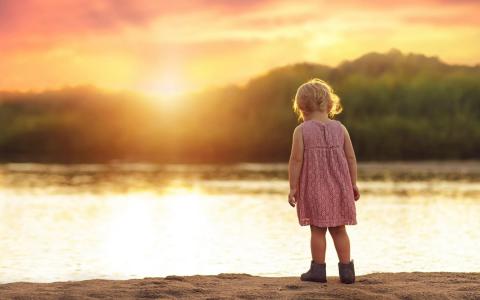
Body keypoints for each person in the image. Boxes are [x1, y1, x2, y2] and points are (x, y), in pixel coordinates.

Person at [288, 78, 360, 284]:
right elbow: (351, 158)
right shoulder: (341, 128)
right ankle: (347, 271)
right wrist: (353, 183)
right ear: (330, 105)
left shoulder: (301, 131)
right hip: (340, 186)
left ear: (301, 107)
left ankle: (318, 270)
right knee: (339, 229)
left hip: (314, 187)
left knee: (317, 230)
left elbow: (296, 160)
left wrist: (293, 186)